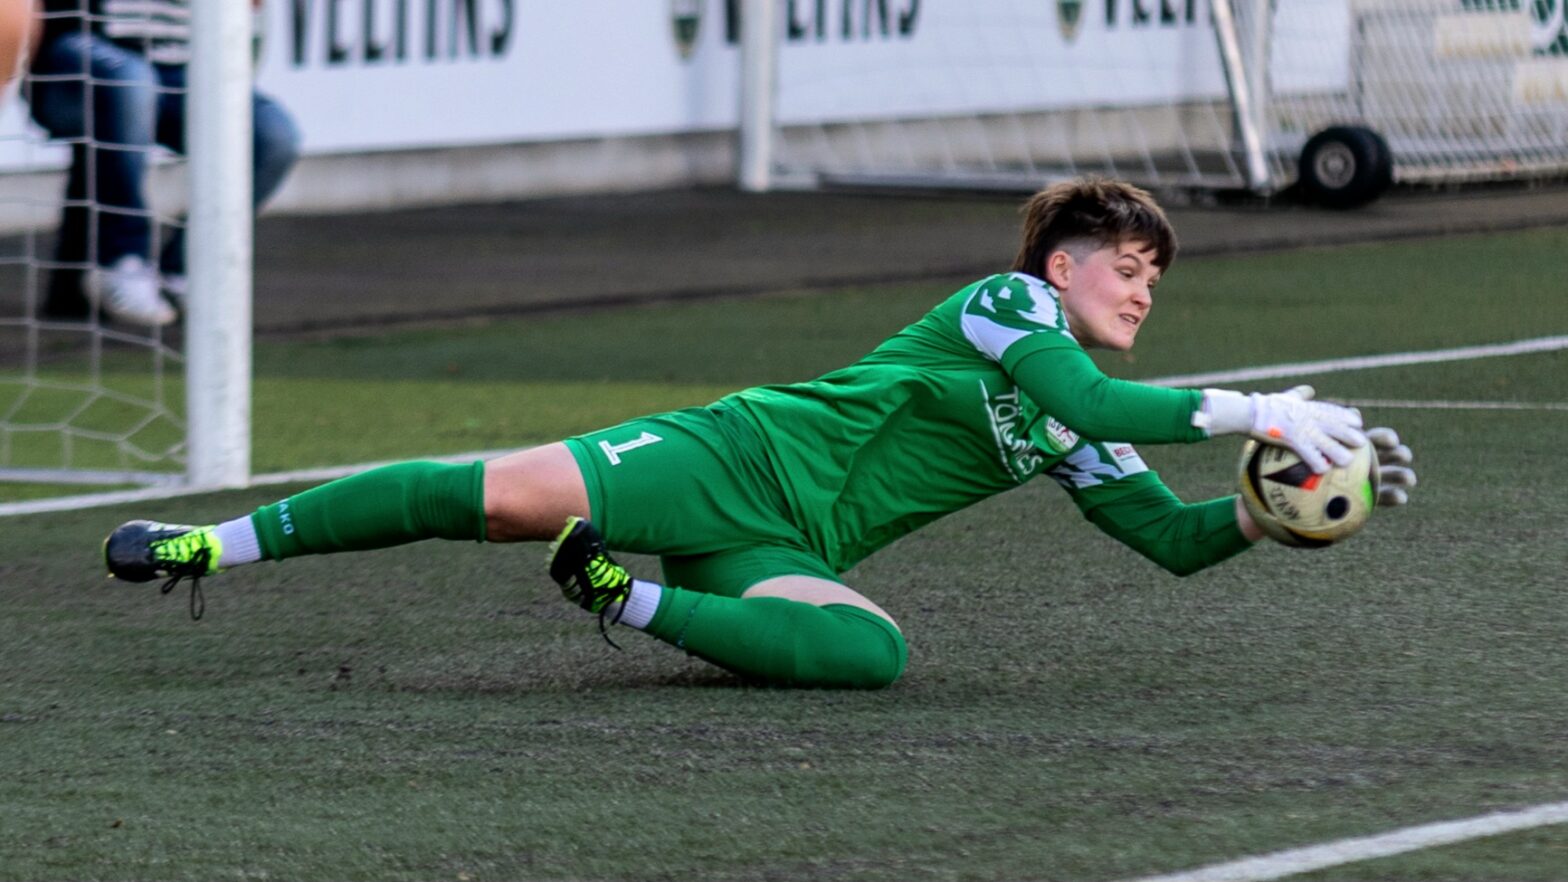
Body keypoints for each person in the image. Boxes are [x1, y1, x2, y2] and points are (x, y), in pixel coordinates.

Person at [102, 179, 1417, 689]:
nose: (1141, 289)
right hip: (735, 454)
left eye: (1153, 277)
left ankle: (627, 599)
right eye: (1126, 264)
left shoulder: (1076, 416)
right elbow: (1093, 401)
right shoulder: (1007, 304)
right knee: (495, 495)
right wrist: (1263, 407)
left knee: (869, 648)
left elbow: (1169, 536)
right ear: (1061, 266)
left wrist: (1266, 511)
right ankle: (209, 546)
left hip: (784, 537)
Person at [25, 0, 298, 325]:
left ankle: (184, 270)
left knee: (273, 134)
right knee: (131, 82)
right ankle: (121, 260)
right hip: (82, 51)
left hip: (179, 64)